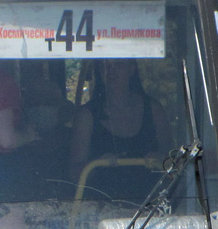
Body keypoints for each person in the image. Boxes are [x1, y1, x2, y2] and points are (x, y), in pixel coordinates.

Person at [68, 59, 173, 189]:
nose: (111, 71)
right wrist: (97, 164)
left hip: (151, 204)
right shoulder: (86, 116)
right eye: (105, 65)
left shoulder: (153, 110)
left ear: (132, 69)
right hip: (100, 204)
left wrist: (160, 160)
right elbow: (74, 175)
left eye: (118, 64)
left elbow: (173, 164)